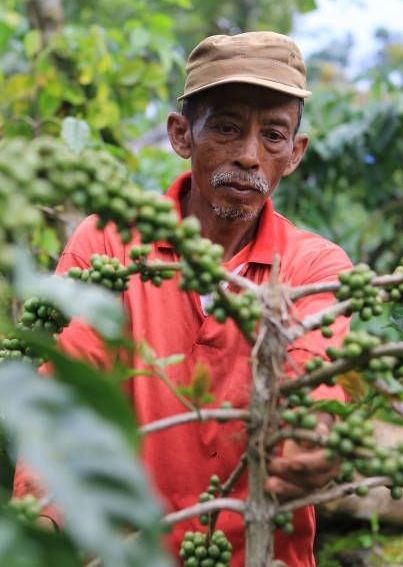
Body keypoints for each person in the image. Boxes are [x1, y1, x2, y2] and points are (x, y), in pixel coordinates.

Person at [14, 31, 352, 566]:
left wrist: (314, 437)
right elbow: (65, 398)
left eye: (272, 135)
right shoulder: (109, 245)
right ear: (180, 135)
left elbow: (315, 373)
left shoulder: (315, 267)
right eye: (226, 128)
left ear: (295, 153)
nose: (249, 156)